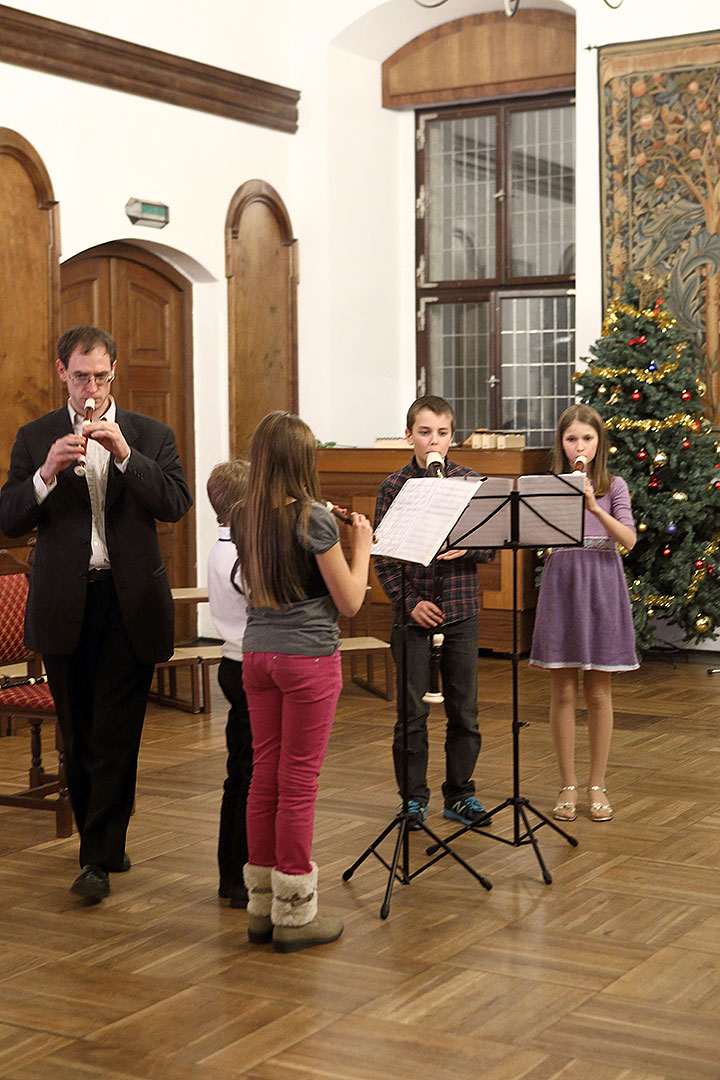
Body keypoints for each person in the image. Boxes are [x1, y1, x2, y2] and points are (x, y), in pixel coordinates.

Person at [0, 324, 192, 903]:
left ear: (114, 375)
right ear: (62, 371)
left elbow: (175, 504)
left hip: (128, 601)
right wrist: (44, 475)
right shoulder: (35, 437)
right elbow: (8, 518)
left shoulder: (150, 434)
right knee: (79, 734)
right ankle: (101, 837)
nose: (91, 387)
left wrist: (127, 456)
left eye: (101, 376)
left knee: (116, 733)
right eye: (81, 375)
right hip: (64, 604)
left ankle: (96, 857)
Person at [234, 411, 372, 954]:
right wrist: (359, 542)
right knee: (298, 784)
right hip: (308, 659)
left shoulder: (246, 513)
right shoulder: (314, 518)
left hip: (257, 655)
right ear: (302, 461)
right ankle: (296, 913)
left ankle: (262, 908)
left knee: (262, 776)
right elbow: (352, 602)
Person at [373, 394, 494, 831]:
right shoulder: (392, 486)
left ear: (452, 438)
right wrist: (410, 603)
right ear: (409, 436)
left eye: (442, 434)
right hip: (414, 615)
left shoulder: (469, 481)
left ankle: (460, 794)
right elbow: (382, 557)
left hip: (460, 611)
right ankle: (412, 799)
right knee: (412, 715)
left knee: (465, 711)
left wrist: (472, 545)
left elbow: (490, 548)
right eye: (425, 433)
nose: (434, 442)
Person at [529, 403, 638, 823]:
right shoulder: (552, 485)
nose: (580, 445)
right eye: (572, 438)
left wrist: (594, 507)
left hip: (602, 585)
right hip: (563, 584)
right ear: (561, 442)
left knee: (598, 692)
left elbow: (628, 539)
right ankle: (567, 784)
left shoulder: (615, 486)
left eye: (587, 438)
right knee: (563, 692)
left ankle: (597, 784)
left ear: (599, 443)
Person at [206, 459, 252, 910]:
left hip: (230, 660)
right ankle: (239, 877)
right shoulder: (240, 553)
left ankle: (229, 875)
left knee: (239, 772)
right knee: (249, 775)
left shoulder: (223, 546)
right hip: (245, 665)